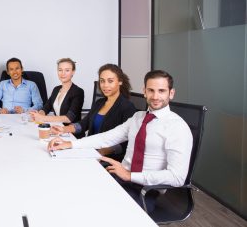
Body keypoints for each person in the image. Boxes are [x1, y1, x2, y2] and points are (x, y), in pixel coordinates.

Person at [48, 70, 193, 211]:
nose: (155, 96)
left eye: (161, 91)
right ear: (144, 91)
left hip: (145, 190)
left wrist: (130, 175)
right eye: (151, 90)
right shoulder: (138, 118)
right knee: (72, 189)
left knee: (93, 208)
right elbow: (107, 137)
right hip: (119, 179)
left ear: (171, 93)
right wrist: (70, 144)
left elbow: (177, 177)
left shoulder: (177, 127)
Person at [50, 64, 137, 161]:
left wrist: (101, 152)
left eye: (110, 81)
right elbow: (84, 124)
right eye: (102, 81)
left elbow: (126, 142)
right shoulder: (99, 103)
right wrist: (64, 129)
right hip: (89, 149)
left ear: (120, 81)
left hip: (107, 158)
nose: (105, 85)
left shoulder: (127, 107)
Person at [29, 58, 84, 124]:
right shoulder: (56, 89)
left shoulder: (78, 92)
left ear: (73, 72)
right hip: (57, 128)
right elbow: (46, 108)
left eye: (67, 70)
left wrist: (43, 118)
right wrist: (39, 114)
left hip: (71, 131)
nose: (63, 73)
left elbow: (69, 118)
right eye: (60, 70)